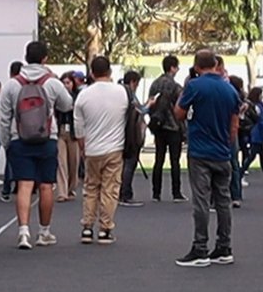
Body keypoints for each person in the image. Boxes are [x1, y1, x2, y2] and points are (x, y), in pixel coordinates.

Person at [0, 40, 73, 249]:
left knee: (24, 184)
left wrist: (6, 142)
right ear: (45, 58)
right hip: (46, 138)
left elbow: (4, 117)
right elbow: (67, 104)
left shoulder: (12, 84)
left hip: (19, 139)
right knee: (46, 185)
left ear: (25, 57)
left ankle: (23, 231)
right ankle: (44, 231)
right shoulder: (51, 82)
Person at [173, 50, 239, 267]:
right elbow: (234, 124)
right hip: (222, 151)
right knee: (223, 201)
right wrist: (227, 145)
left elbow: (179, 113)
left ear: (196, 66)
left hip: (200, 151)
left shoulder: (194, 86)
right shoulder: (230, 89)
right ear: (216, 64)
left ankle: (200, 247)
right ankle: (224, 246)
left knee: (201, 201)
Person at [74, 56, 128, 244]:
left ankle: (87, 227)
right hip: (114, 147)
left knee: (90, 188)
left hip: (92, 148)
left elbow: (79, 128)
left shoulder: (83, 95)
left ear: (91, 73)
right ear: (110, 71)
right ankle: (105, 228)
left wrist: (83, 148)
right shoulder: (121, 92)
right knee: (110, 189)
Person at [148, 54, 187, 203]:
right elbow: (182, 104)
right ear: (172, 68)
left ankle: (156, 193)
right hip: (173, 126)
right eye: (176, 67)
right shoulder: (175, 86)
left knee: (159, 159)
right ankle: (176, 192)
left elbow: (150, 103)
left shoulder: (155, 84)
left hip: (159, 126)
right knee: (174, 161)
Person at [119, 70, 146, 208]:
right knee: (129, 164)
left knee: (125, 165)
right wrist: (149, 105)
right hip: (131, 134)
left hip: (124, 133)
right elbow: (138, 111)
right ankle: (125, 193)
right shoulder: (129, 95)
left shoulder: (120, 93)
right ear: (133, 82)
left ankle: (122, 192)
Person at [0, 61, 24, 202]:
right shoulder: (32, 84)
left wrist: (4, 140)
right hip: (32, 131)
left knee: (10, 162)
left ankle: (6, 189)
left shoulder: (9, 87)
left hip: (14, 132)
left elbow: (4, 117)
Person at [56, 71, 82, 202]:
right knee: (61, 162)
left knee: (73, 162)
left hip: (73, 132)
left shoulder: (78, 97)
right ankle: (62, 192)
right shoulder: (57, 98)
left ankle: (71, 188)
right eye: (64, 83)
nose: (66, 85)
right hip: (60, 131)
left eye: (68, 82)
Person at [227, 75, 247, 207]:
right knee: (234, 163)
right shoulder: (237, 96)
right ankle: (236, 194)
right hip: (234, 130)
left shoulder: (229, 94)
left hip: (227, 130)